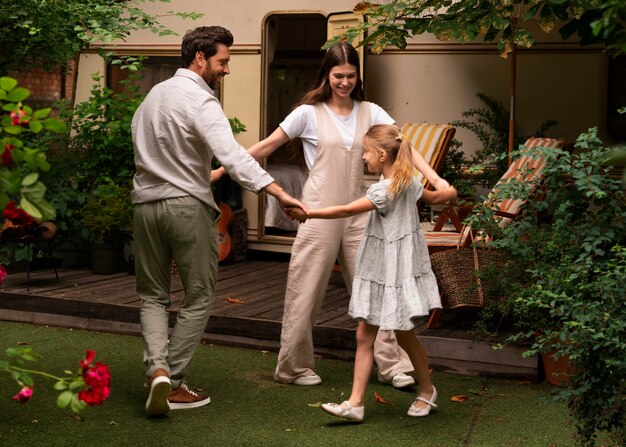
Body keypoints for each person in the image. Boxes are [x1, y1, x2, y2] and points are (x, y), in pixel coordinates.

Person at [212, 42, 450, 387]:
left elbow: (405, 147)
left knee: (377, 289)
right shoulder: (307, 113)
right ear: (326, 74)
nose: (345, 82)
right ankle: (293, 367)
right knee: (304, 288)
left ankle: (393, 366)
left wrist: (433, 177)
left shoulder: (371, 111)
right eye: (338, 75)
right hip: (317, 212)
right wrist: (221, 171)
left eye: (351, 76)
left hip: (362, 213)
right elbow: (265, 147)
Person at [131, 26, 306, 418]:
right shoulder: (201, 100)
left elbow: (145, 151)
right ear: (200, 59)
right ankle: (172, 382)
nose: (225, 69)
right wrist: (278, 192)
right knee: (198, 295)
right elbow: (233, 156)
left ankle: (157, 368)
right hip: (185, 208)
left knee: (153, 295)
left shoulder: (151, 98)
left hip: (144, 207)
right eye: (223, 61)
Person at [287, 124, 457, 421]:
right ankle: (355, 403)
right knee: (366, 334)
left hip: (391, 273)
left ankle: (427, 390)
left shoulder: (385, 189)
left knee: (405, 338)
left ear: (380, 155)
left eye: (366, 151)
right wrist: (448, 192)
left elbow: (348, 209)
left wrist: (309, 213)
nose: (363, 157)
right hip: (386, 271)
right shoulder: (407, 181)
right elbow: (431, 199)